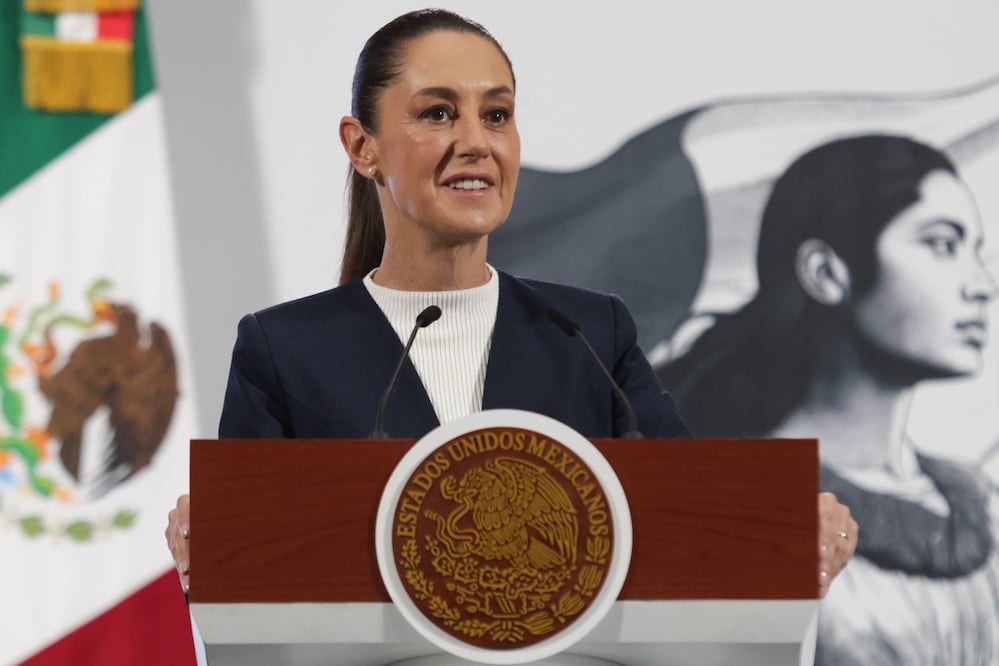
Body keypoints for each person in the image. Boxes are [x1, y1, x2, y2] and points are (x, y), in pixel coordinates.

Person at [165, 7, 856, 610]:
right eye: (438, 113)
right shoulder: (283, 350)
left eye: (496, 115)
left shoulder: (590, 335)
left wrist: (787, 530)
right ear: (362, 146)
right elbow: (253, 576)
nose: (477, 141)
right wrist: (213, 537)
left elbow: (694, 523)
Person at [657, 134, 999, 664]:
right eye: (941, 244)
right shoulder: (725, 507)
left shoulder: (981, 501)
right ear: (826, 272)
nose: (982, 285)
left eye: (976, 252)